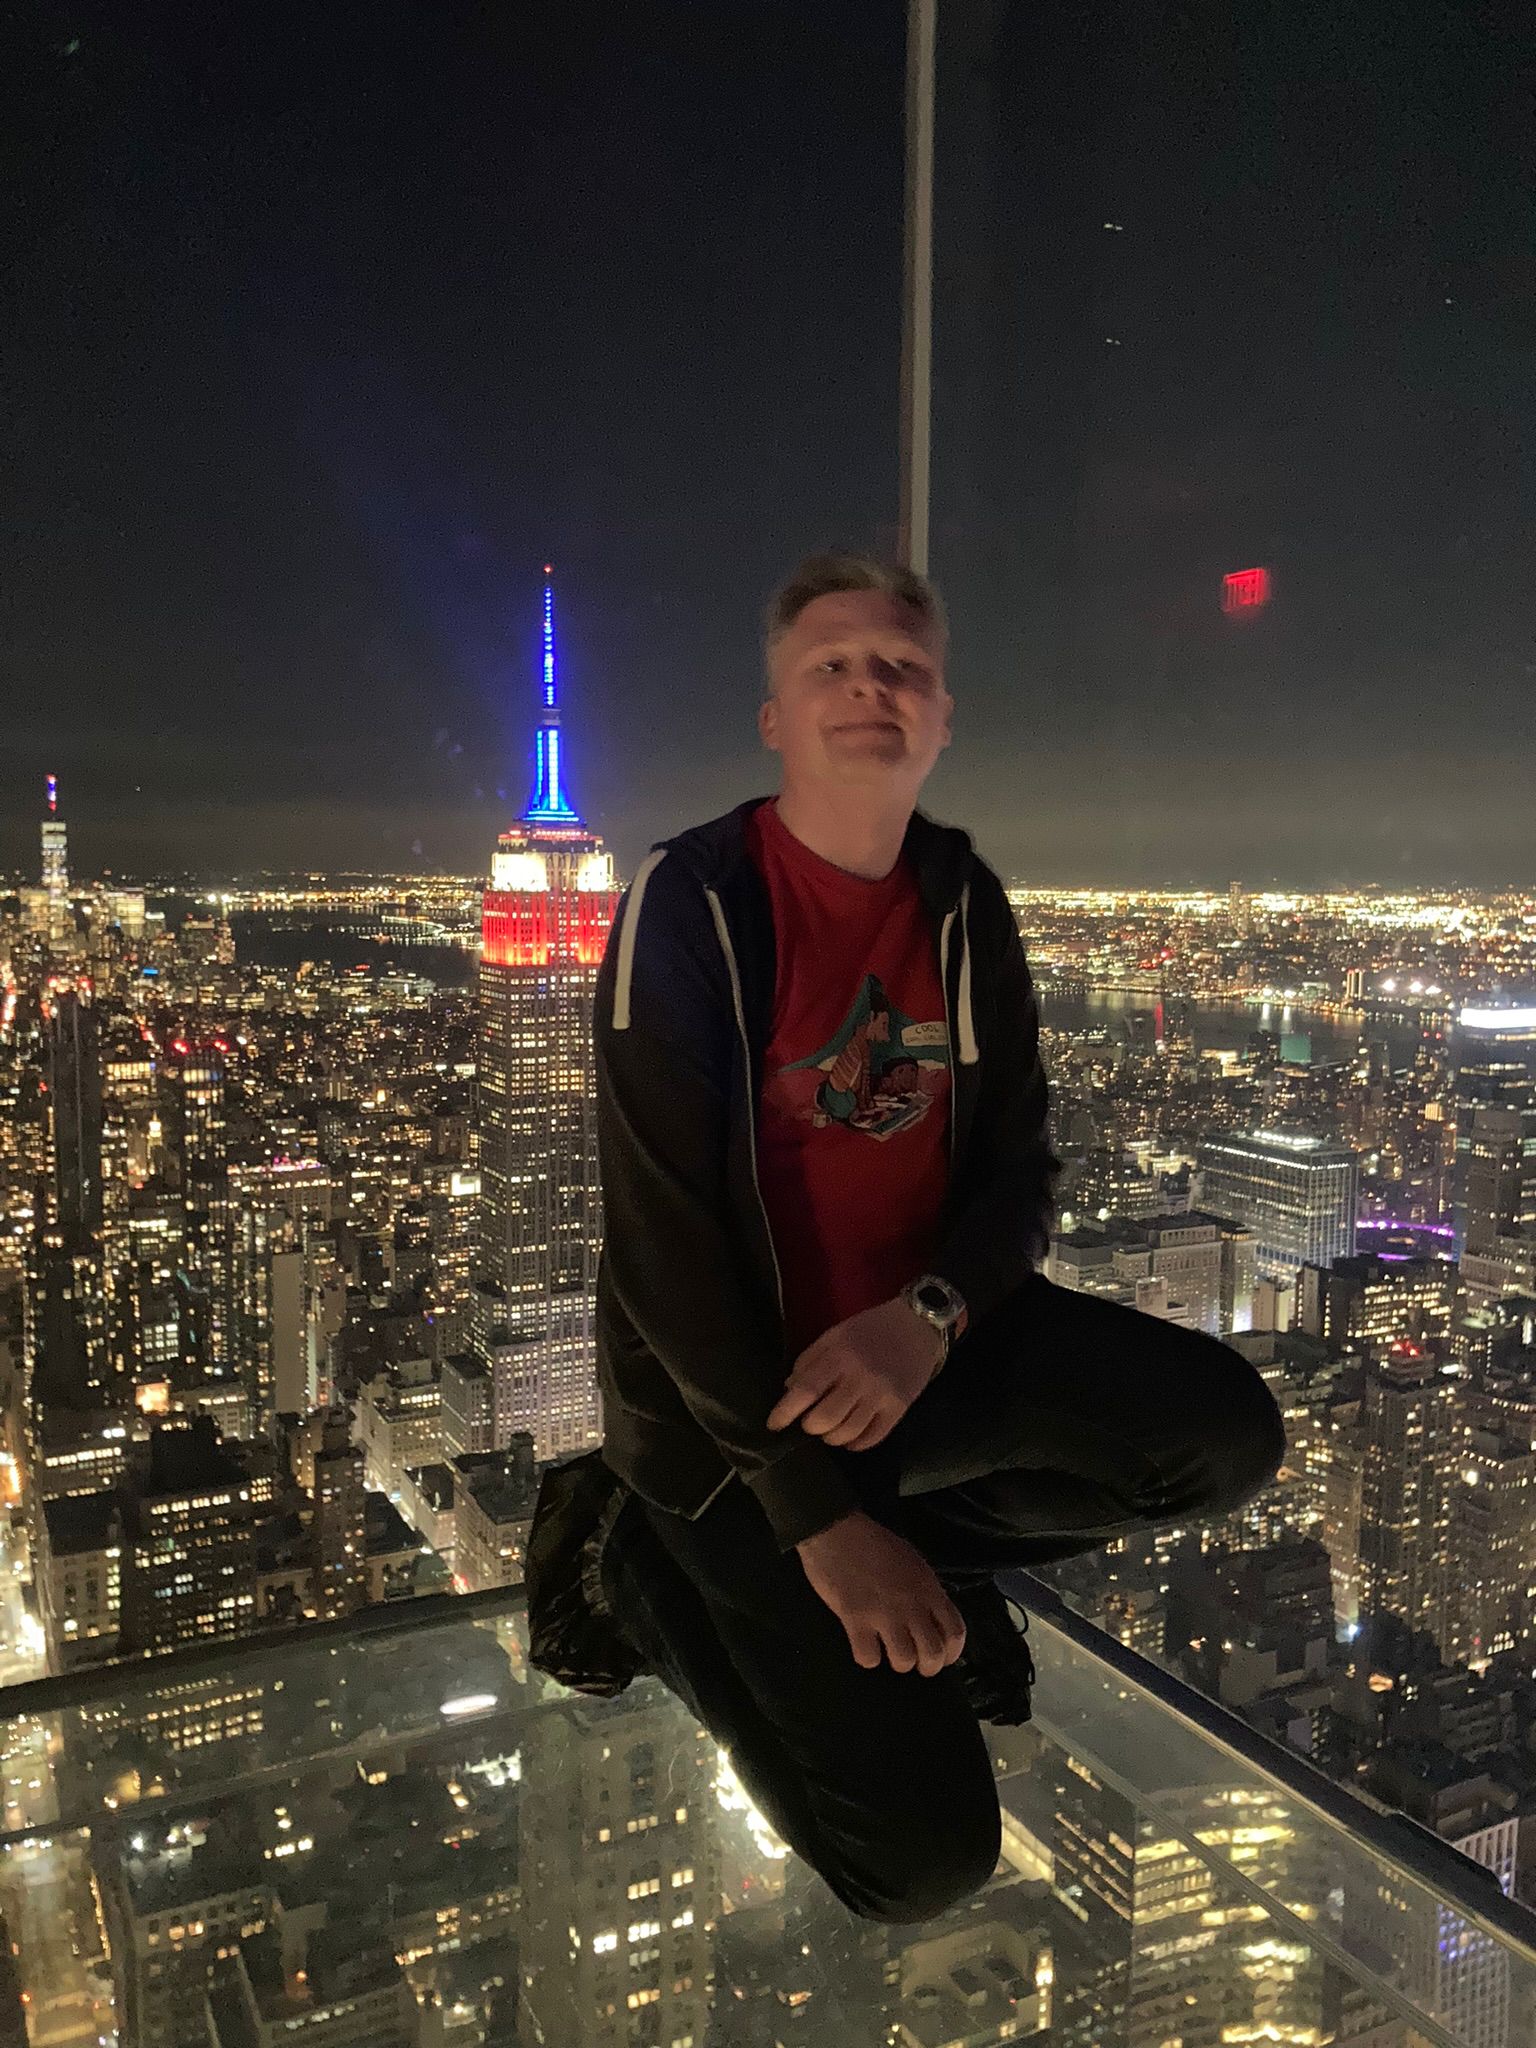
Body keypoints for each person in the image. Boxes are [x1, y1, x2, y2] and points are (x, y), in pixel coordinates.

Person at [526, 551, 1285, 1925]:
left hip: (915, 1361)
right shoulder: (688, 906)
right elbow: (660, 1247)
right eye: (831, 664)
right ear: (774, 718)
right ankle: (632, 1562)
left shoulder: (958, 903)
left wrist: (924, 1318)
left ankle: (920, 1543)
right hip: (734, 1418)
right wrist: (813, 1520)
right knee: (919, 1869)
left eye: (903, 669)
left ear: (943, 720)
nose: (870, 687)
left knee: (1225, 1434)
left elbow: (1017, 1181)